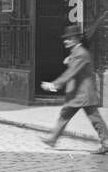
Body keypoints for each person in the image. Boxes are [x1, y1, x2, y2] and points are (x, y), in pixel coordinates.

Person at [41, 24, 108, 153]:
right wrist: (70, 59)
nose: (65, 41)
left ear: (76, 39)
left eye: (68, 38)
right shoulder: (77, 52)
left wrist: (54, 85)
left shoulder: (81, 54)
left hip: (82, 94)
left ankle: (106, 142)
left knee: (94, 119)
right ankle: (53, 139)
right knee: (68, 115)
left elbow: (71, 72)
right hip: (79, 94)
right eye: (65, 38)